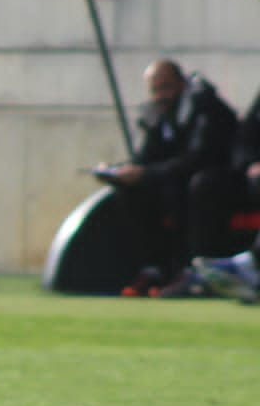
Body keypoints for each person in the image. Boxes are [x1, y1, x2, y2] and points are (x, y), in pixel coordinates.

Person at [95, 59, 238, 295]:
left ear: (181, 84)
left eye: (166, 87)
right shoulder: (158, 115)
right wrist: (121, 172)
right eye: (155, 90)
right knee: (131, 190)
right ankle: (154, 269)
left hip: (217, 183)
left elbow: (199, 158)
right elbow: (147, 158)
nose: (160, 96)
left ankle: (192, 269)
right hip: (178, 180)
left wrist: (146, 173)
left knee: (196, 186)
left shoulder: (206, 108)